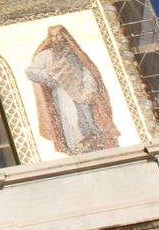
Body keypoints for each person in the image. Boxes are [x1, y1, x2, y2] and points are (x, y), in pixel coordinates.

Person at [27, 25, 118, 155]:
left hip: (80, 91)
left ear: (65, 37)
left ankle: (93, 140)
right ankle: (76, 145)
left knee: (87, 116)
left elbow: (87, 70)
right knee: (70, 116)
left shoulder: (75, 54)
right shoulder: (46, 55)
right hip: (61, 91)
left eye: (59, 35)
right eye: (53, 36)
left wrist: (89, 88)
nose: (56, 38)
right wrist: (48, 73)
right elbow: (31, 71)